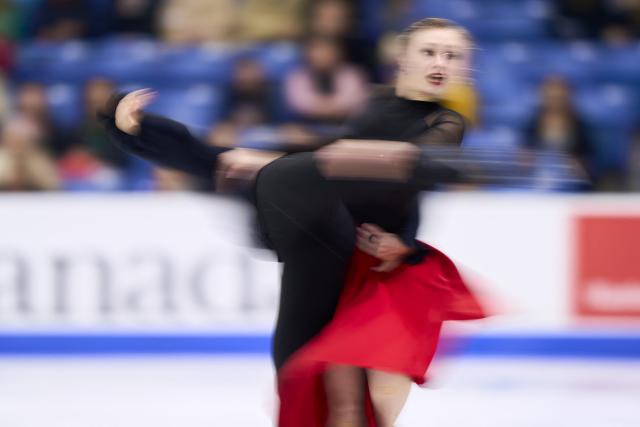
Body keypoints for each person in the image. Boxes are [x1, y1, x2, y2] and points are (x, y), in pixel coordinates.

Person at [101, 18, 489, 427]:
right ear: (403, 58)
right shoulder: (376, 104)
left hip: (378, 266)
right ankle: (135, 130)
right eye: (429, 52)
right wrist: (278, 160)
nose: (440, 63)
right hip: (325, 236)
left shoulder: (445, 123)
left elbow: (412, 172)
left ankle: (168, 140)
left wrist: (404, 242)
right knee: (298, 375)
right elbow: (340, 160)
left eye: (452, 55)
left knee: (370, 400)